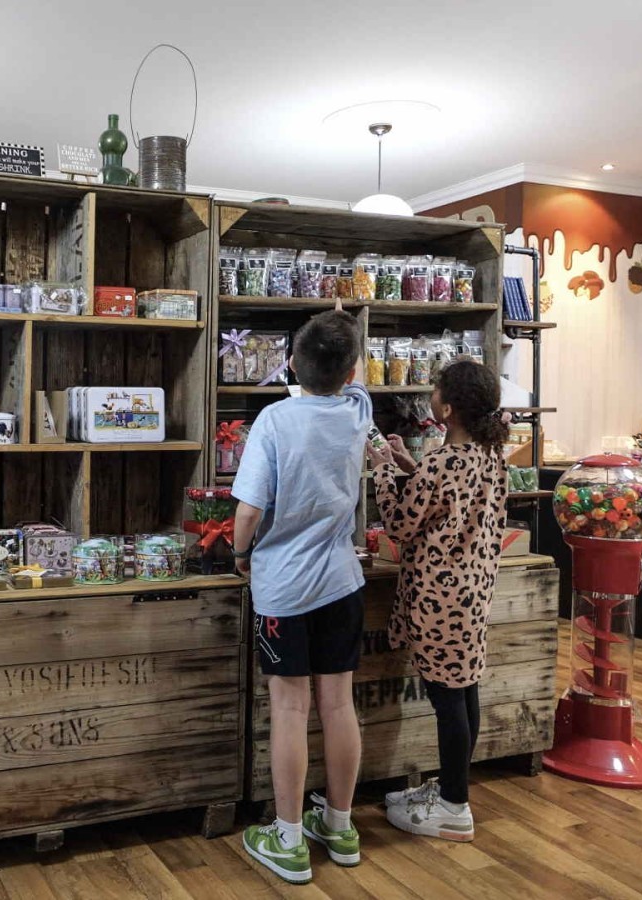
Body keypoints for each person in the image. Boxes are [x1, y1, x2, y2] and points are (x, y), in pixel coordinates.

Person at [232, 303, 370, 884]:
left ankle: (288, 838)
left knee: (290, 708)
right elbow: (352, 381)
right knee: (339, 704)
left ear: (290, 362)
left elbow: (248, 510)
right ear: (351, 370)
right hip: (343, 582)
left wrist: (240, 553)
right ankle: (338, 826)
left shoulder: (273, 422)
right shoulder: (359, 412)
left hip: (285, 587)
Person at [366, 359, 510, 843]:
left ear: (446, 408)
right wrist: (411, 466)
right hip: (473, 590)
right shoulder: (490, 454)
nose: (429, 394)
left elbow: (402, 526)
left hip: (437, 596)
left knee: (446, 698)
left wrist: (385, 472)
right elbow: (450, 504)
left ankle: (453, 806)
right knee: (464, 688)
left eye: (434, 390)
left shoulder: (443, 462)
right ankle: (452, 789)